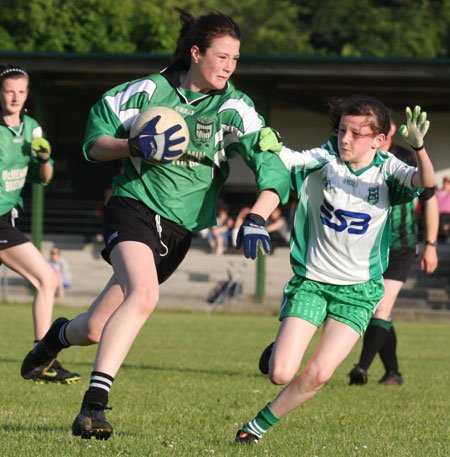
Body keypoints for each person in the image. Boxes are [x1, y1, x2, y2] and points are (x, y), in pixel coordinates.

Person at [21, 8, 289, 440]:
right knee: (144, 295)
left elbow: (271, 163)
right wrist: (133, 144)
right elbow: (95, 140)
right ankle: (94, 408)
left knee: (93, 328)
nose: (229, 67)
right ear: (196, 52)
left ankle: (53, 341)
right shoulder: (148, 91)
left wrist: (258, 213)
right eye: (221, 57)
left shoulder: (234, 107)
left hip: (180, 233)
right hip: (133, 206)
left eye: (235, 60)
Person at [234, 96, 435, 444]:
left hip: (359, 291)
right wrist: (268, 143)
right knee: (280, 373)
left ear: (378, 139)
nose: (345, 139)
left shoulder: (388, 169)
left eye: (356, 134)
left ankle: (255, 428)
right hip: (312, 283)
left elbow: (425, 181)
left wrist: (419, 147)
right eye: (342, 130)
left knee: (320, 374)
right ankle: (278, 350)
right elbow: (287, 159)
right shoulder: (324, 158)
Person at [0, 64, 80, 385]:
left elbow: (43, 179)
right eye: (8, 90)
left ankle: (41, 359)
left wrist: (45, 160)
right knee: (47, 278)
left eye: (21, 91)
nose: (15, 96)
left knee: (47, 279)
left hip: (7, 218)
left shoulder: (32, 128)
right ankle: (41, 359)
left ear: (27, 94)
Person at [348, 115, 439, 386]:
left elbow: (430, 200)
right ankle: (393, 373)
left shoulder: (407, 159)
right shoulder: (360, 157)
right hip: (368, 247)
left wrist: (430, 245)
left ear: (392, 130)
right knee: (379, 310)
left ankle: (361, 368)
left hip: (401, 246)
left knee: (381, 306)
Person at [435, 176, 450, 242]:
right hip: (437, 213)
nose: (446, 185)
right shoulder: (437, 192)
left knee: (444, 218)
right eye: (445, 183)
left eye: (448, 183)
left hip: (447, 214)